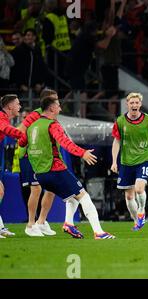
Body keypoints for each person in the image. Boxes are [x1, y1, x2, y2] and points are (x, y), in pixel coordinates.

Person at [18, 95, 115, 239]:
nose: (60, 108)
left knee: (72, 197)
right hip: (55, 170)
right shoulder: (53, 124)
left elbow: (21, 143)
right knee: (84, 196)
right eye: (58, 105)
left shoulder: (32, 125)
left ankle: (68, 224)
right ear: (51, 108)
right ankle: (99, 232)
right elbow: (65, 143)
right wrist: (82, 153)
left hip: (40, 174)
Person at [111, 92, 148, 231]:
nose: (134, 105)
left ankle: (141, 212)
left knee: (139, 189)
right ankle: (136, 221)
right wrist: (114, 161)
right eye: (131, 103)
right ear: (127, 104)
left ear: (140, 104)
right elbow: (117, 141)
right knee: (128, 195)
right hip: (126, 161)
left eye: (136, 103)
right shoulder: (120, 121)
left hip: (144, 158)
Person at [17, 89, 58, 237]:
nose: (58, 104)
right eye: (55, 100)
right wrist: (31, 146)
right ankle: (30, 224)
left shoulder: (52, 117)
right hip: (31, 156)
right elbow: (20, 131)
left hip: (46, 158)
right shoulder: (35, 115)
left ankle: (41, 222)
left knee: (52, 188)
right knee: (36, 189)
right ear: (47, 101)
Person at [0, 94, 25, 238]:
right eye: (17, 104)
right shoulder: (1, 117)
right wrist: (23, 135)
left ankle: (1, 227)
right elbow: (7, 129)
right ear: (9, 106)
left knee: (1, 191)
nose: (19, 106)